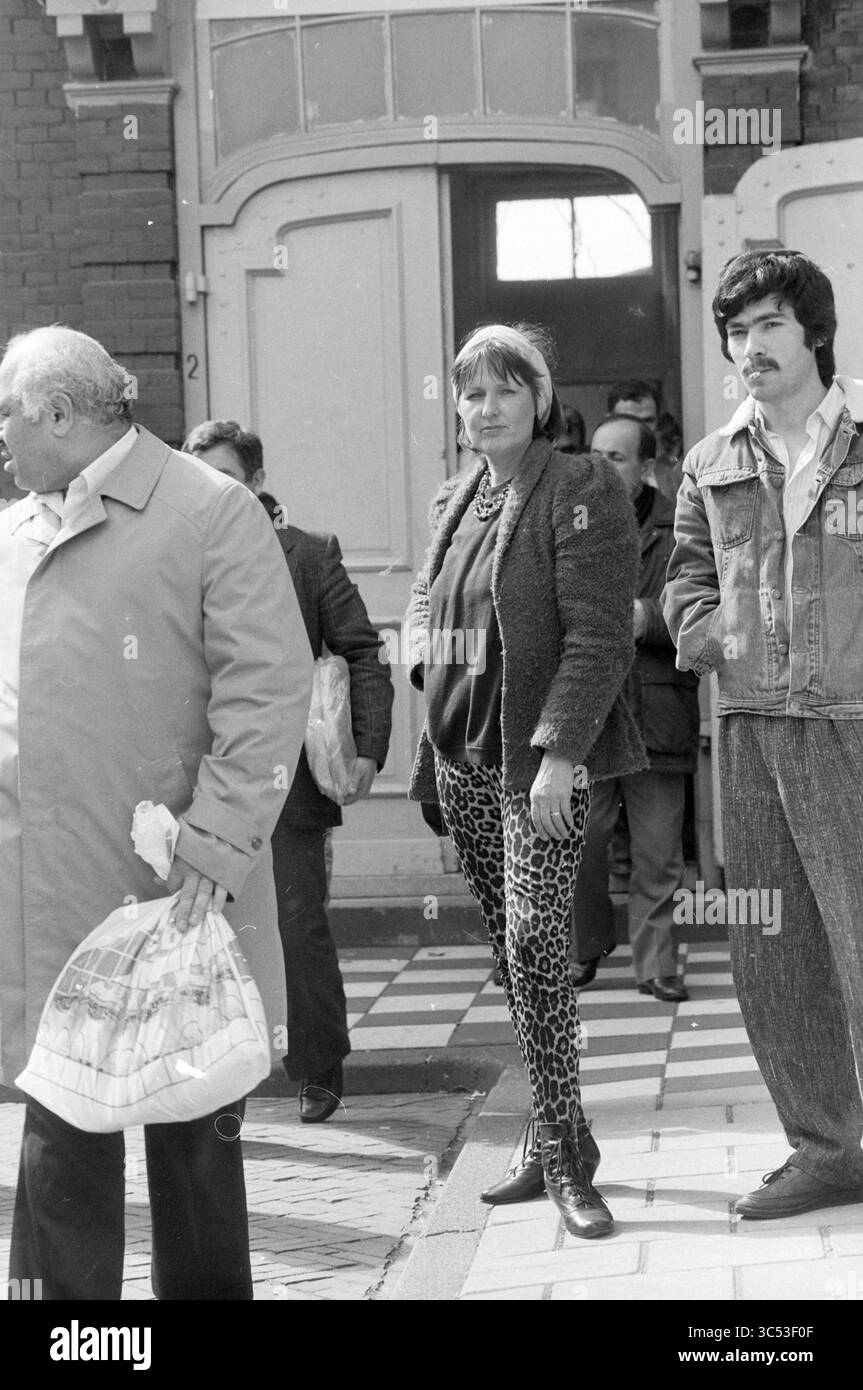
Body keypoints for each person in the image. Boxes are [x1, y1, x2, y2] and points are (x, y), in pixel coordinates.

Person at [0, 326, 313, 1300]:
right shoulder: (15, 530)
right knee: (59, 1151)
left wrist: (213, 845)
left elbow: (266, 688)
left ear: (57, 413)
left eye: (7, 414)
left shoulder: (210, 512)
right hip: (43, 891)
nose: (1, 437)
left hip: (171, 902)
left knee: (192, 1144)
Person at [407, 323, 646, 1238]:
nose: (487, 407)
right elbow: (427, 603)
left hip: (538, 763)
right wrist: (426, 670)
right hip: (463, 756)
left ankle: (565, 1163)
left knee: (539, 942)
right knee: (514, 960)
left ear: (539, 400)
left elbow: (599, 636)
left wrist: (557, 756)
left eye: (507, 389)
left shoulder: (580, 485)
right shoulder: (454, 499)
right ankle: (558, 1139)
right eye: (471, 393)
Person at [663, 249, 863, 1220]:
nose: (749, 347)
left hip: (853, 723)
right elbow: (682, 581)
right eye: (735, 332)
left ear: (813, 332)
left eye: (768, 326)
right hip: (747, 727)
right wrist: (713, 635)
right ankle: (823, 1148)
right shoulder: (711, 461)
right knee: (772, 952)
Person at [183, 419, 393, 1124]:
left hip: (287, 783)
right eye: (200, 477)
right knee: (204, 933)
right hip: (200, 779)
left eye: (227, 477)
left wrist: (366, 747)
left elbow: (361, 650)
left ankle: (317, 1068)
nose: (213, 491)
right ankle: (220, 1082)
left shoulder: (306, 555)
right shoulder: (176, 553)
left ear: (257, 482)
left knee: (295, 925)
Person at [569, 414, 699, 1002]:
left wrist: (646, 618)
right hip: (589, 716)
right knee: (581, 841)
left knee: (657, 852)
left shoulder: (683, 524)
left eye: (616, 457)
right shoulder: (569, 521)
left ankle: (657, 964)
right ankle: (584, 950)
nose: (600, 466)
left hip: (657, 713)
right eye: (595, 455)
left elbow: (708, 613)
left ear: (647, 467)